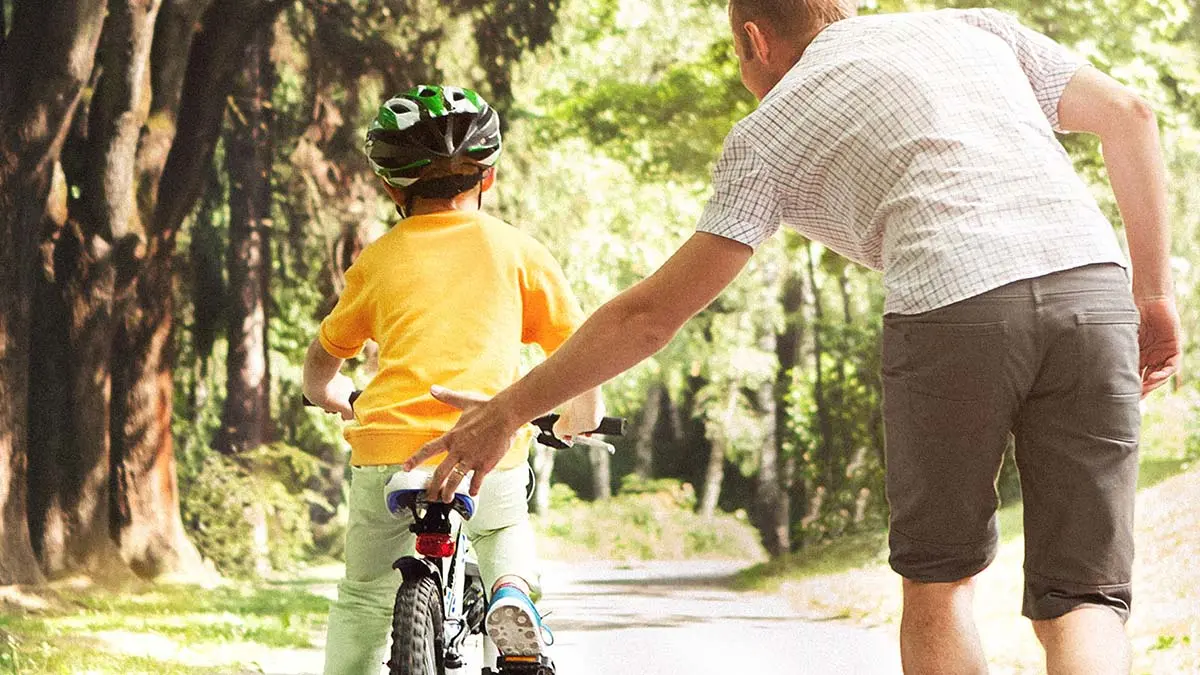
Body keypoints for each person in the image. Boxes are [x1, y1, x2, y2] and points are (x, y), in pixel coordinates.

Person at [405, 3, 1184, 675]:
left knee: (941, 581)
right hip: (1093, 288)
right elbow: (1131, 115)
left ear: (753, 40)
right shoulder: (975, 29)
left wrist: (507, 409)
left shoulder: (767, 132)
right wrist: (1154, 295)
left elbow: (649, 315)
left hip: (952, 305)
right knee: (1083, 595)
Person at [303, 84, 604, 675]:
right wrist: (579, 416)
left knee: (364, 593)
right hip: (489, 445)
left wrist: (336, 398)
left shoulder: (376, 259)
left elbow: (322, 363)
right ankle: (512, 598)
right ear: (487, 178)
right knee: (501, 529)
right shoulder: (520, 251)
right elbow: (576, 350)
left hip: (391, 450)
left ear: (391, 189)